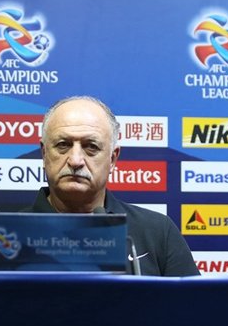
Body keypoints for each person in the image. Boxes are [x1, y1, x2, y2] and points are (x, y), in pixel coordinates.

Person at [23, 96, 199, 276]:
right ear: (44, 153)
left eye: (91, 147)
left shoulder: (157, 231)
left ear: (113, 159)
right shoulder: (9, 233)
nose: (75, 160)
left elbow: (192, 295)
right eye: (63, 145)